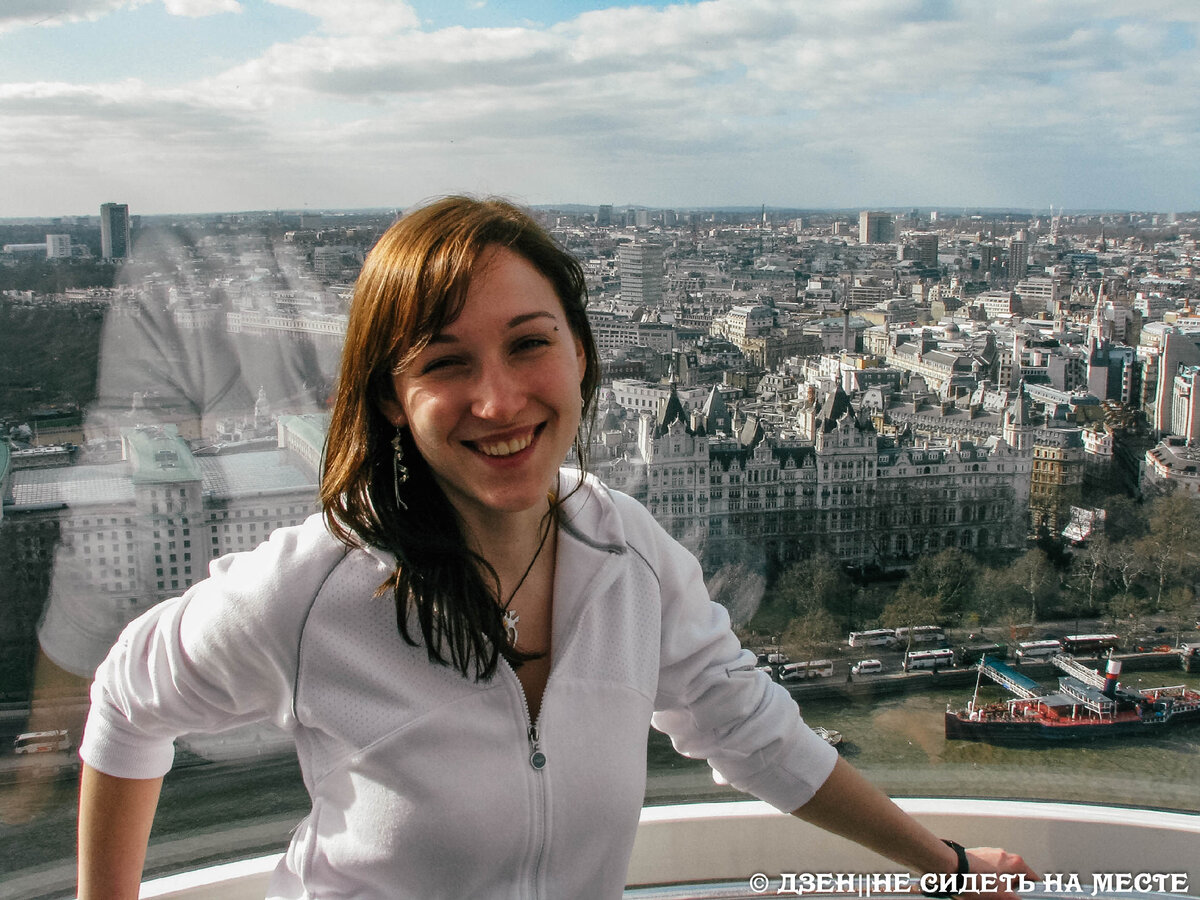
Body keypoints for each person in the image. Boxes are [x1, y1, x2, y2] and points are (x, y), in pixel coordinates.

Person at [77, 197, 1035, 899]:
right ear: (388, 402)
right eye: (447, 363)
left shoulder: (631, 554)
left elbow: (751, 729)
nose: (500, 401)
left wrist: (945, 865)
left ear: (582, 355)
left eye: (530, 345)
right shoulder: (311, 589)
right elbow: (127, 697)